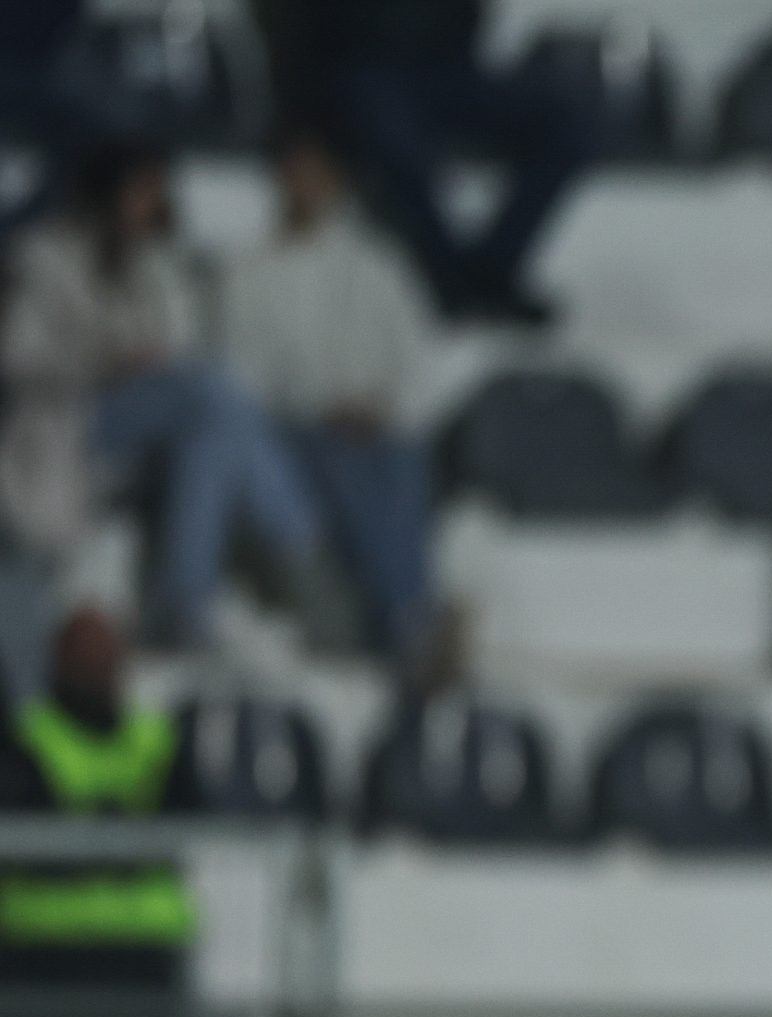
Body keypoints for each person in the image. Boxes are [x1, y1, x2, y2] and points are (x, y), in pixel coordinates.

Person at [0, 144, 326, 651]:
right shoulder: (43, 254)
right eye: (141, 192)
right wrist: (104, 362)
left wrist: (146, 360)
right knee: (214, 396)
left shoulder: (152, 259)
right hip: (70, 421)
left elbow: (180, 342)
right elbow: (17, 354)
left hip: (149, 425)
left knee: (216, 431)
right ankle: (300, 548)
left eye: (156, 192)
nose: (150, 205)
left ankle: (184, 606)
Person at [0, 606, 193, 1017]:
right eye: (88, 656)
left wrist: (83, 842)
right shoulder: (26, 742)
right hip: (40, 975)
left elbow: (192, 822)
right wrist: (118, 844)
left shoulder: (155, 738)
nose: (100, 669)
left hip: (141, 976)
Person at [220, 129, 439, 663]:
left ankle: (403, 618)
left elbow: (418, 361)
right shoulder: (247, 270)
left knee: (398, 459)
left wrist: (381, 410)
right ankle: (407, 623)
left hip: (378, 429)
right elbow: (242, 377)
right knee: (340, 460)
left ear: (338, 183)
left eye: (318, 175)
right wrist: (321, 406)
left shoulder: (381, 265)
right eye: (296, 174)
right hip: (296, 428)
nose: (307, 188)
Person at [282, 0, 597, 323]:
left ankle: (491, 270)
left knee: (566, 124)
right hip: (359, 71)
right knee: (390, 138)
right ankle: (449, 284)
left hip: (446, 71)